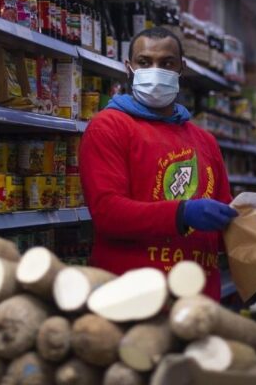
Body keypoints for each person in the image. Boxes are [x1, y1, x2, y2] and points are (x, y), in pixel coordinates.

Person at [79, 26, 237, 300]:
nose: (155, 70)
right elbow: (107, 213)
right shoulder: (108, 127)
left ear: (181, 69)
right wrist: (181, 213)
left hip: (199, 303)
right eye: (144, 62)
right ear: (129, 68)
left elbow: (222, 228)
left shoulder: (205, 141)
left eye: (166, 63)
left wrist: (245, 221)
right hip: (131, 301)